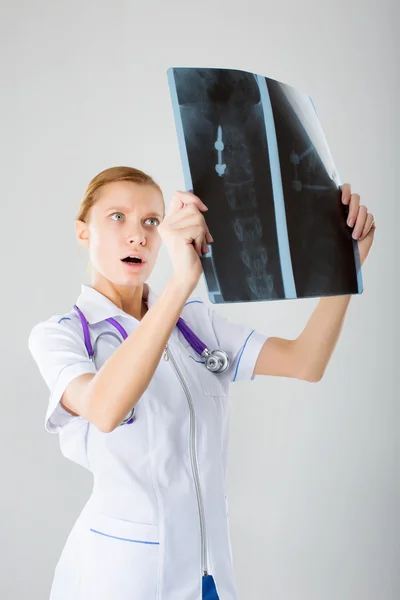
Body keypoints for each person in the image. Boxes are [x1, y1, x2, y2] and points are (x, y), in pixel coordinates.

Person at [28, 166, 375, 600]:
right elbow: (103, 408)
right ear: (83, 232)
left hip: (207, 573)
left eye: (151, 222)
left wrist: (348, 264)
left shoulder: (194, 323)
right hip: (121, 577)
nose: (137, 235)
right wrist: (180, 282)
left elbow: (305, 361)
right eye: (117, 217)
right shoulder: (59, 335)